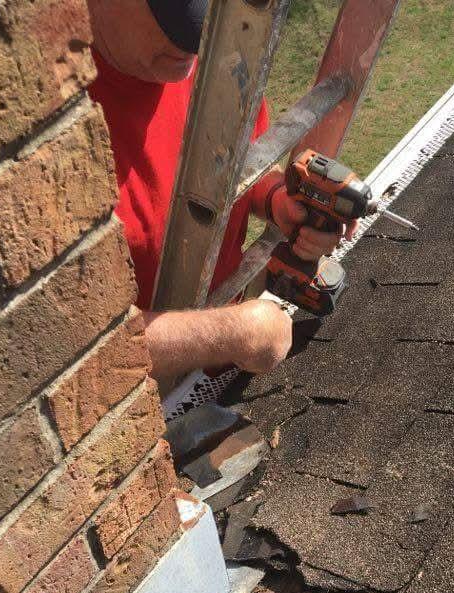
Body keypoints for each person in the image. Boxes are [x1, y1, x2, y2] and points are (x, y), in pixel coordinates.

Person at [87, 0, 351, 384]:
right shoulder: (48, 136)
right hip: (151, 397)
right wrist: (228, 335)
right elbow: (84, 357)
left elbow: (236, 163)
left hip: (231, 349)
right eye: (174, 15)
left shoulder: (212, 57)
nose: (195, 44)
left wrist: (276, 199)